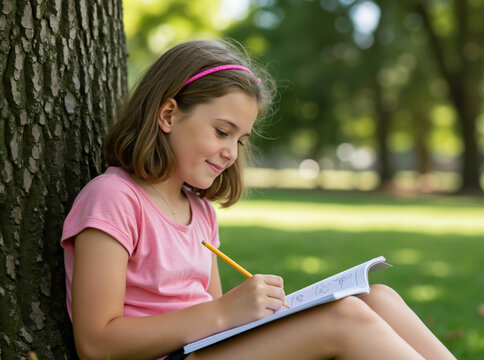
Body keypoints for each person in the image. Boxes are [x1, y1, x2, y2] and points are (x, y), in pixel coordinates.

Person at [61, 39, 456, 360]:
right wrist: (222, 312)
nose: (232, 152)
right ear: (167, 115)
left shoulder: (199, 210)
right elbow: (96, 343)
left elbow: (213, 319)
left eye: (240, 139)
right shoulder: (113, 199)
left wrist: (251, 315)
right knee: (344, 317)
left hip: (203, 351)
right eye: (221, 131)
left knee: (377, 297)